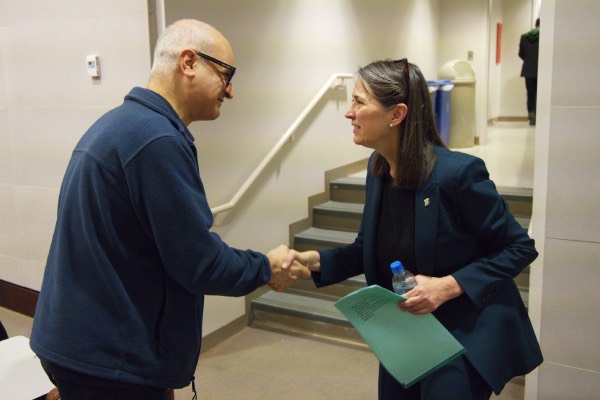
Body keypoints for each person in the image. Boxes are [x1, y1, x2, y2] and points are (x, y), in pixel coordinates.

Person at [29, 19, 308, 399]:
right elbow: (198, 263)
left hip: (79, 344)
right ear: (189, 62)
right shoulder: (156, 140)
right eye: (226, 75)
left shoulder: (118, 125)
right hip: (110, 361)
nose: (231, 90)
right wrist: (266, 268)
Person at [281, 59, 543, 400]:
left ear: (396, 114)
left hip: (461, 331)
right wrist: (310, 260)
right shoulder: (378, 171)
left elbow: (519, 248)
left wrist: (447, 287)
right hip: (406, 332)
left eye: (359, 102)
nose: (349, 113)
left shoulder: (458, 174)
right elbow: (367, 249)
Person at [519, 18, 540, 126]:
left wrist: (529, 60)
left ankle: (531, 115)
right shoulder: (544, 37)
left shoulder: (524, 37)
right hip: (541, 71)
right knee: (540, 94)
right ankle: (538, 115)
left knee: (530, 93)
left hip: (528, 70)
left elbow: (521, 54)